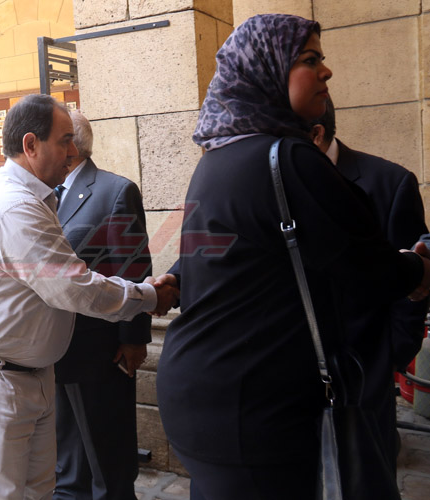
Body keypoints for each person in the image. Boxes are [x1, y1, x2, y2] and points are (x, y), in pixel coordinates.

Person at [153, 14, 430, 500]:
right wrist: (418, 269)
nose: (326, 71)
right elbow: (369, 269)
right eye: (309, 59)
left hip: (206, 393)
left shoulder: (219, 157)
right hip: (254, 405)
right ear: (267, 69)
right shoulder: (289, 158)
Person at [0, 93, 177, 500]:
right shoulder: (13, 205)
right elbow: (72, 286)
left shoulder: (31, 197)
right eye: (65, 141)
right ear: (31, 145)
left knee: (39, 490)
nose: (73, 151)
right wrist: (150, 296)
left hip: (23, 375)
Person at [311, 98, 428, 471]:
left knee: (365, 477)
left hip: (365, 380)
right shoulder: (269, 183)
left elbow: (411, 289)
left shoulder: (390, 182)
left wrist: (386, 359)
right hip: (288, 379)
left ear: (315, 135)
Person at [54, 110, 151, 500]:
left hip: (100, 350)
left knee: (108, 459)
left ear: (71, 144)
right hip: (53, 348)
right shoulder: (40, 194)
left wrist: (134, 339)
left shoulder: (115, 191)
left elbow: (133, 268)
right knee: (67, 458)